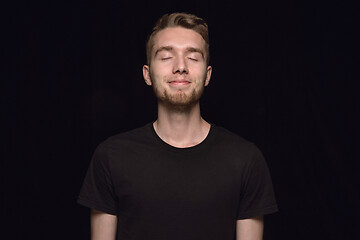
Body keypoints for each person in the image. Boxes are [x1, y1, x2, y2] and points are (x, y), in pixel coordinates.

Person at [78, 12, 278, 240]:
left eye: (193, 57)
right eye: (165, 57)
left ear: (207, 75)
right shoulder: (111, 157)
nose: (180, 66)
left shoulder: (246, 160)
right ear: (147, 74)